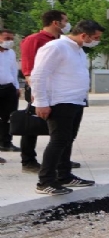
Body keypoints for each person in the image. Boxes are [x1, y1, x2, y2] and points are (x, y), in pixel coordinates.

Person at [30, 20, 104, 196]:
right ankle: (45, 181)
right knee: (59, 140)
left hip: (75, 101)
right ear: (84, 35)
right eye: (95, 37)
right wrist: (41, 102)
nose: (97, 41)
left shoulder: (78, 50)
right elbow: (39, 74)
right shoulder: (56, 47)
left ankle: (64, 175)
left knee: (68, 139)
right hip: (59, 101)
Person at [19, 10, 81, 173]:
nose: (68, 24)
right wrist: (36, 93)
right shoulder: (34, 40)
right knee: (32, 125)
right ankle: (29, 160)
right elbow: (29, 69)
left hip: (57, 92)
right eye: (65, 21)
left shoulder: (61, 41)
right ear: (56, 22)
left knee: (60, 129)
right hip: (39, 90)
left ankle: (61, 160)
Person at [0, 29, 19, 164]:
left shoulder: (11, 52)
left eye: (11, 38)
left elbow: (13, 70)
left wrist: (16, 86)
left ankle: (6, 142)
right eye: (6, 38)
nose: (9, 41)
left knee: (9, 117)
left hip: (9, 87)